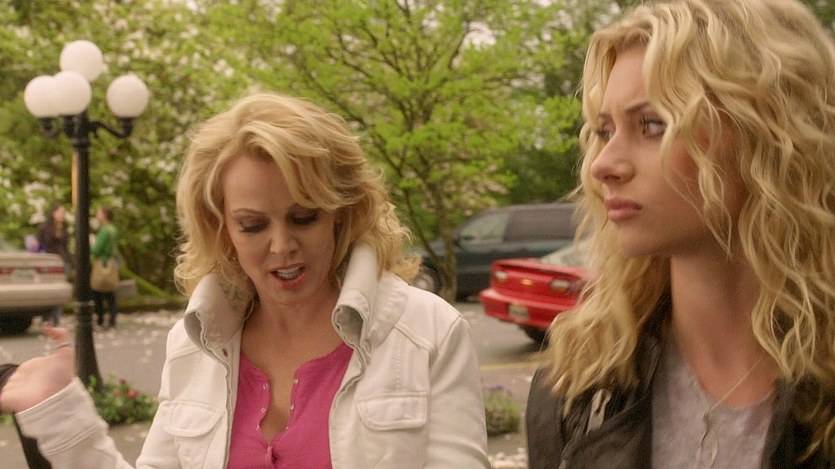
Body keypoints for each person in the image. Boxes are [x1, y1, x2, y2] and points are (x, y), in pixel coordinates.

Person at [0, 92, 490, 468]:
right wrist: (60, 413)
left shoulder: (427, 333)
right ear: (222, 229)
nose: (281, 245)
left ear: (341, 213)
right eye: (253, 225)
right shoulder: (195, 344)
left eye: (303, 218)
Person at [526, 0, 835, 467]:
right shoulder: (580, 390)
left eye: (652, 126)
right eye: (605, 131)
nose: (603, 165)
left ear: (769, 138)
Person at [37, 203, 73, 326]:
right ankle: (46, 317)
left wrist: (72, 264)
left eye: (64, 213)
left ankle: (56, 318)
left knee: (59, 291)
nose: (63, 215)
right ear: (53, 213)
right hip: (49, 263)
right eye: (60, 212)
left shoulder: (64, 228)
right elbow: (39, 244)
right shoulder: (45, 228)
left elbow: (66, 248)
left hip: (63, 262)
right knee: (47, 290)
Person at [91, 205, 120, 329]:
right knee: (111, 294)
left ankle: (100, 320)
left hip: (102, 263)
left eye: (99, 212)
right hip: (112, 263)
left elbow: (96, 250)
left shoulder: (104, 231)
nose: (97, 215)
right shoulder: (113, 229)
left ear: (104, 215)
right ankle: (112, 320)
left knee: (98, 292)